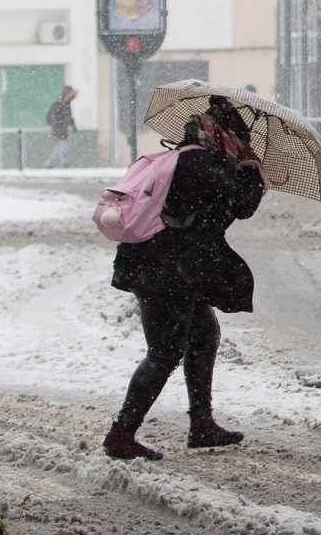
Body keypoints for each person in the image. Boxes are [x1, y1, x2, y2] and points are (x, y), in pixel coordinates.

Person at [102, 97, 266, 461]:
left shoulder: (180, 158)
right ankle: (121, 434)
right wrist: (252, 167)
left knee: (204, 335)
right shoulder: (203, 163)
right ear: (220, 133)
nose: (239, 143)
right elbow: (241, 205)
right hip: (166, 270)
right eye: (238, 136)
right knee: (164, 351)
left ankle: (202, 424)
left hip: (161, 265)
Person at [45, 86, 77, 168]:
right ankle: (63, 162)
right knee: (63, 145)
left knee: (59, 146)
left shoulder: (66, 104)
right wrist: (56, 125)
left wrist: (72, 125)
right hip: (59, 129)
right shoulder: (59, 104)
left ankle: (51, 163)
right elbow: (52, 115)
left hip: (61, 129)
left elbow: (69, 117)